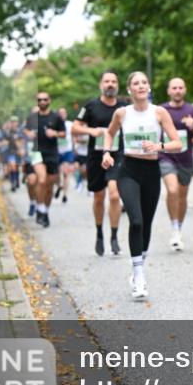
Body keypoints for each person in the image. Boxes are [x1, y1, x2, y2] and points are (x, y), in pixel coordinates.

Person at [101, 71, 183, 300]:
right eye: (136, 83)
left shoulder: (159, 112)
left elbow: (177, 142)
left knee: (146, 223)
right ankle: (139, 275)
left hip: (151, 172)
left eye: (144, 82)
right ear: (129, 89)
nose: (141, 86)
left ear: (149, 87)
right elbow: (109, 134)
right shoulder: (121, 113)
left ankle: (139, 262)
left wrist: (159, 146)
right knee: (135, 220)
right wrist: (106, 153)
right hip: (128, 171)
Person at [72, 71, 126, 256]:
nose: (110, 84)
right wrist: (92, 131)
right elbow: (75, 127)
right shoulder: (91, 106)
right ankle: (99, 234)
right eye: (107, 81)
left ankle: (114, 236)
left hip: (117, 155)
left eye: (113, 81)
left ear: (117, 85)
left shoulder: (124, 107)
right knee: (98, 197)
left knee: (114, 196)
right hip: (96, 156)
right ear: (101, 85)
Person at [159, 77, 193, 251]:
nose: (177, 90)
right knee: (172, 190)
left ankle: (178, 227)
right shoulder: (162, 110)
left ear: (184, 90)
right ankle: (174, 227)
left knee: (182, 196)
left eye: (180, 87)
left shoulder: (192, 110)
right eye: (174, 88)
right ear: (169, 91)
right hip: (166, 157)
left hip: (185, 159)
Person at [23, 93, 66, 227]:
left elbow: (64, 134)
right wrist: (28, 133)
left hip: (52, 154)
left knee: (49, 186)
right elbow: (25, 129)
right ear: (36, 102)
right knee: (40, 179)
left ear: (49, 101)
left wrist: (55, 133)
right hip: (36, 152)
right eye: (39, 100)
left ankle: (45, 211)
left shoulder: (56, 117)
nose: (42, 101)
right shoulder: (32, 117)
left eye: (45, 99)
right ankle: (39, 208)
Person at [55, 107, 76, 203]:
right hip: (57, 151)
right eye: (61, 113)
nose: (63, 114)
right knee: (58, 172)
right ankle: (59, 185)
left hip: (67, 151)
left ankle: (64, 195)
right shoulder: (54, 124)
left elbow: (73, 136)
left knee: (66, 173)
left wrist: (74, 148)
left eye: (64, 113)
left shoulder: (70, 124)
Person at [73, 126, 89, 192]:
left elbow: (88, 141)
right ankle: (79, 183)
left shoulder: (90, 130)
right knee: (76, 168)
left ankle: (84, 183)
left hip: (86, 154)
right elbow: (75, 139)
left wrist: (82, 141)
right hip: (78, 153)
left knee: (84, 170)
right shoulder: (79, 129)